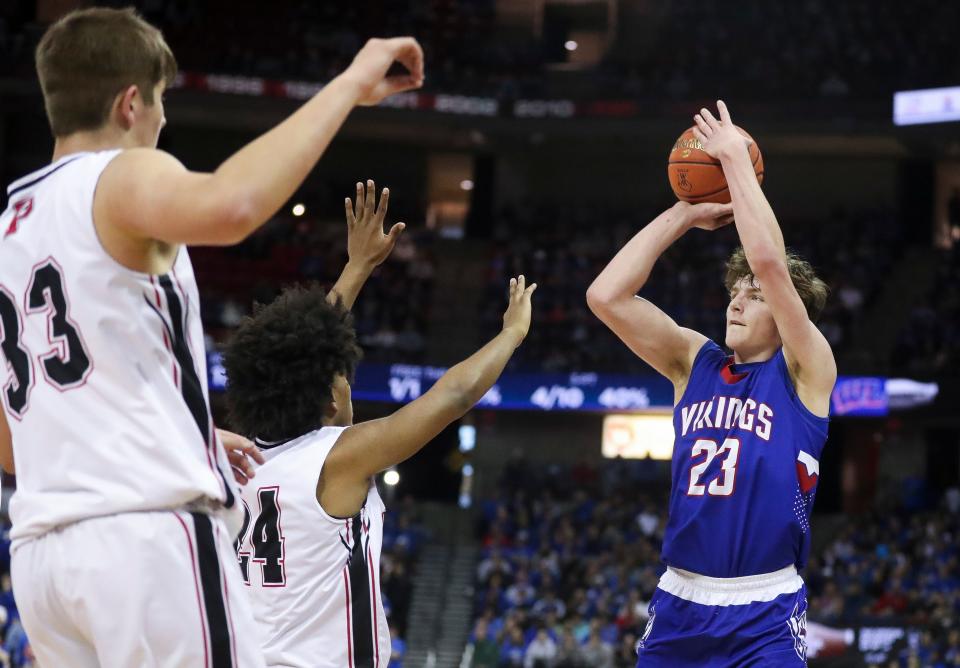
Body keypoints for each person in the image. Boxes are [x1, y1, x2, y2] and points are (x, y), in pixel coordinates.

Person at [0, 7, 423, 667]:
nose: (164, 120)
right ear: (130, 102)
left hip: (43, 560)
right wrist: (348, 84)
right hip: (141, 539)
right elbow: (233, 206)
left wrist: (183, 432)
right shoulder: (117, 175)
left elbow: (11, 443)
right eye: (162, 101)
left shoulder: (10, 224)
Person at [225, 182, 536, 668]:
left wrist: (357, 267)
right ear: (328, 399)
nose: (348, 381)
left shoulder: (239, 460)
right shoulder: (339, 458)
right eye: (342, 375)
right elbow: (453, 394)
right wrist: (512, 336)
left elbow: (298, 352)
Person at [587, 100, 835, 667]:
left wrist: (736, 164)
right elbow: (605, 297)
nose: (738, 301)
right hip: (680, 600)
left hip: (765, 608)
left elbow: (772, 267)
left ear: (783, 311)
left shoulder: (805, 369)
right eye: (734, 292)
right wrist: (684, 213)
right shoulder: (692, 362)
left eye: (754, 297)